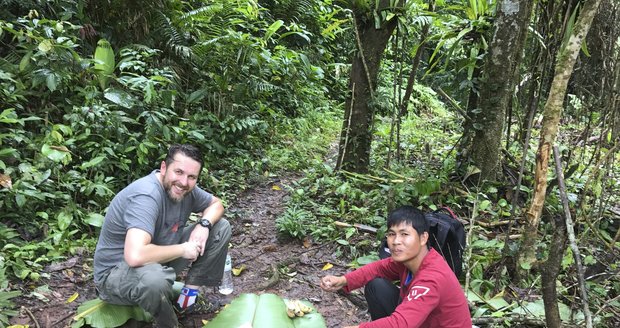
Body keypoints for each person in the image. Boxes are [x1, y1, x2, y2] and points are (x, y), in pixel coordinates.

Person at [93, 144, 232, 328]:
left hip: (157, 262)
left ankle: (187, 303)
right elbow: (135, 256)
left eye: (192, 177)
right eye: (179, 172)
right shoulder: (147, 196)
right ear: (164, 168)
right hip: (116, 274)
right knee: (154, 280)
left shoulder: (185, 190)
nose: (184, 182)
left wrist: (204, 225)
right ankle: (168, 324)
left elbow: (217, 205)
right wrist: (183, 249)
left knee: (220, 227)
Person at [320, 206, 471, 328]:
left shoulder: (432, 278)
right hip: (423, 321)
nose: (396, 241)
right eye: (392, 234)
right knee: (376, 285)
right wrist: (342, 280)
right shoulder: (408, 261)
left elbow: (401, 323)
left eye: (404, 234)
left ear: (423, 238)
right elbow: (378, 268)